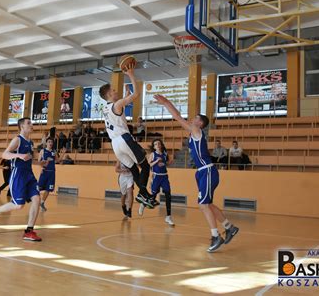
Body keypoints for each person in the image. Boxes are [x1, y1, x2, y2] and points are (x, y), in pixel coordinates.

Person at [154, 94, 239, 253]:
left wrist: (165, 102)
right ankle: (229, 228)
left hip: (207, 170)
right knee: (209, 204)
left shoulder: (196, 130)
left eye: (195, 117)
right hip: (202, 172)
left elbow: (178, 117)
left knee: (203, 205)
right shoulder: (193, 134)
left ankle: (216, 236)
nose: (192, 119)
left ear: (200, 123)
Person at [99, 66, 154, 208]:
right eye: (113, 90)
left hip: (115, 145)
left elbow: (118, 107)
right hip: (124, 139)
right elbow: (136, 94)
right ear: (109, 94)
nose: (115, 91)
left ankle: (145, 196)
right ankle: (142, 194)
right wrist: (131, 74)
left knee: (134, 170)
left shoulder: (105, 108)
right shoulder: (117, 104)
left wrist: (124, 96)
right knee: (145, 166)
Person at [0, 117, 42, 242]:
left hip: (29, 175)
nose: (31, 125)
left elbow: (31, 157)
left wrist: (41, 162)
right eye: (28, 123)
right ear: (22, 126)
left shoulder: (30, 142)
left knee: (37, 198)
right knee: (18, 205)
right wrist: (19, 155)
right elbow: (4, 154)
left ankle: (29, 231)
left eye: (31, 123)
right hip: (18, 175)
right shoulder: (17, 140)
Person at [143, 138, 174, 226]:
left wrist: (170, 162)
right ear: (154, 146)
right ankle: (144, 203)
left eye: (159, 143)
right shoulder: (153, 154)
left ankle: (168, 216)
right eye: (156, 144)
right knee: (153, 196)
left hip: (164, 176)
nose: (158, 145)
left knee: (168, 195)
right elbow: (149, 164)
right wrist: (156, 161)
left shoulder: (164, 154)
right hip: (156, 176)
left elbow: (166, 163)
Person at [37, 137, 65, 212]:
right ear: (46, 143)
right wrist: (45, 162)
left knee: (48, 189)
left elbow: (58, 160)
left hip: (52, 173)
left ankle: (42, 203)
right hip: (44, 172)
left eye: (51, 142)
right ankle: (32, 199)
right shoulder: (42, 151)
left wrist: (63, 153)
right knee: (38, 188)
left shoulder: (54, 152)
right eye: (49, 142)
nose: (50, 143)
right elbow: (39, 162)